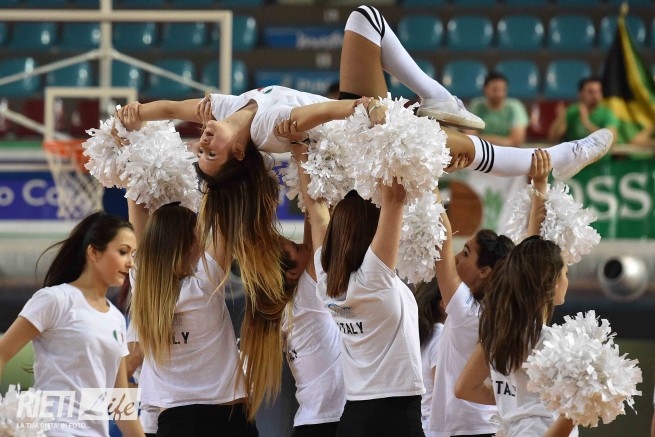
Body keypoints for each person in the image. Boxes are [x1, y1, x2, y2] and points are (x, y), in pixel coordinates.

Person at [289, 138, 424, 436]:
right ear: (371, 229)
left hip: (353, 418)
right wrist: (387, 133)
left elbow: (317, 210)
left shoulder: (328, 280)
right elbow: (394, 197)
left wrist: (301, 150)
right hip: (395, 416)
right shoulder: (373, 276)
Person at [428, 151, 551, 437]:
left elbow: (440, 235)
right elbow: (532, 249)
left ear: (484, 271)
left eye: (466, 254)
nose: (456, 258)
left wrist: (428, 169)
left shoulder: (466, 310)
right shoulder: (510, 312)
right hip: (492, 427)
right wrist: (540, 185)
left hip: (463, 431)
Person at [0, 212, 144, 437]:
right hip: (53, 430)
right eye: (123, 252)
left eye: (133, 255)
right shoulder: (55, 299)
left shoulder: (116, 318)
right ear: (93, 252)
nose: (131, 263)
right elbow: (2, 353)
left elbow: (120, 400)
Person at [127, 200, 258, 435]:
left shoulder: (143, 286)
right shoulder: (205, 284)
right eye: (200, 234)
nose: (204, 241)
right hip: (228, 419)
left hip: (174, 423)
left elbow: (137, 205)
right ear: (189, 244)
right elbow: (227, 213)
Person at [453, 236, 576, 437]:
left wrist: (514, 401)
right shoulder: (551, 341)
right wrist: (581, 406)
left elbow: (464, 388)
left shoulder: (499, 334)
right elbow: (573, 406)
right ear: (552, 281)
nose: (567, 281)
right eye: (565, 273)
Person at [281, 215, 346, 437]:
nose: (305, 245)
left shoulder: (293, 303)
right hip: (327, 424)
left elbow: (312, 233)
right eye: (296, 247)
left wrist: (307, 203)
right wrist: (315, 201)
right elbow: (320, 225)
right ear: (291, 274)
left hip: (313, 423)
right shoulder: (305, 298)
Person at [414, 278, 446, 437]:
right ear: (443, 304)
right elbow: (444, 393)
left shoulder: (419, 334)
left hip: (422, 425)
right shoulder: (440, 336)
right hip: (436, 429)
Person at [465, 71, 529, 148]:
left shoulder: (515, 106)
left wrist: (482, 139)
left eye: (502, 90)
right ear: (485, 89)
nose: (499, 94)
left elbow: (516, 141)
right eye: (494, 90)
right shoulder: (476, 105)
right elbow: (470, 138)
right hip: (482, 151)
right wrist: (503, 141)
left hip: (508, 150)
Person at [547, 77, 619, 144]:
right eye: (591, 92)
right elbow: (552, 138)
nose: (595, 96)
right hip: (575, 153)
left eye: (598, 91)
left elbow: (612, 140)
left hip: (599, 154)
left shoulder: (608, 113)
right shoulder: (572, 111)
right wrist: (561, 118)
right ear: (580, 94)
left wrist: (587, 124)